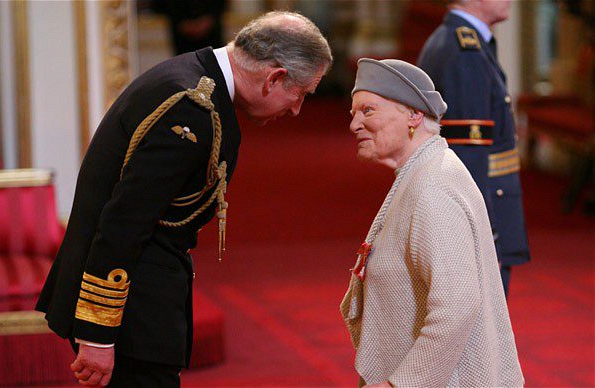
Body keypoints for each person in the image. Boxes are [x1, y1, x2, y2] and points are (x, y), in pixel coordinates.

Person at [36, 11, 332, 387]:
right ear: (275, 77)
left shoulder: (195, 78)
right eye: (301, 94)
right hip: (130, 314)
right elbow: (124, 221)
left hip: (140, 303)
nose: (296, 109)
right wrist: (97, 330)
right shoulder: (191, 110)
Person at [341, 58, 523, 387]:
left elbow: (456, 307)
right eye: (353, 113)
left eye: (368, 111)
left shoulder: (432, 188)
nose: (354, 124)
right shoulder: (424, 172)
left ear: (414, 115)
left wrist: (403, 384)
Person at [417, 0, 529, 296]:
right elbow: (468, 156)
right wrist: (481, 228)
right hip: (483, 208)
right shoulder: (464, 51)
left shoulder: (467, 43)